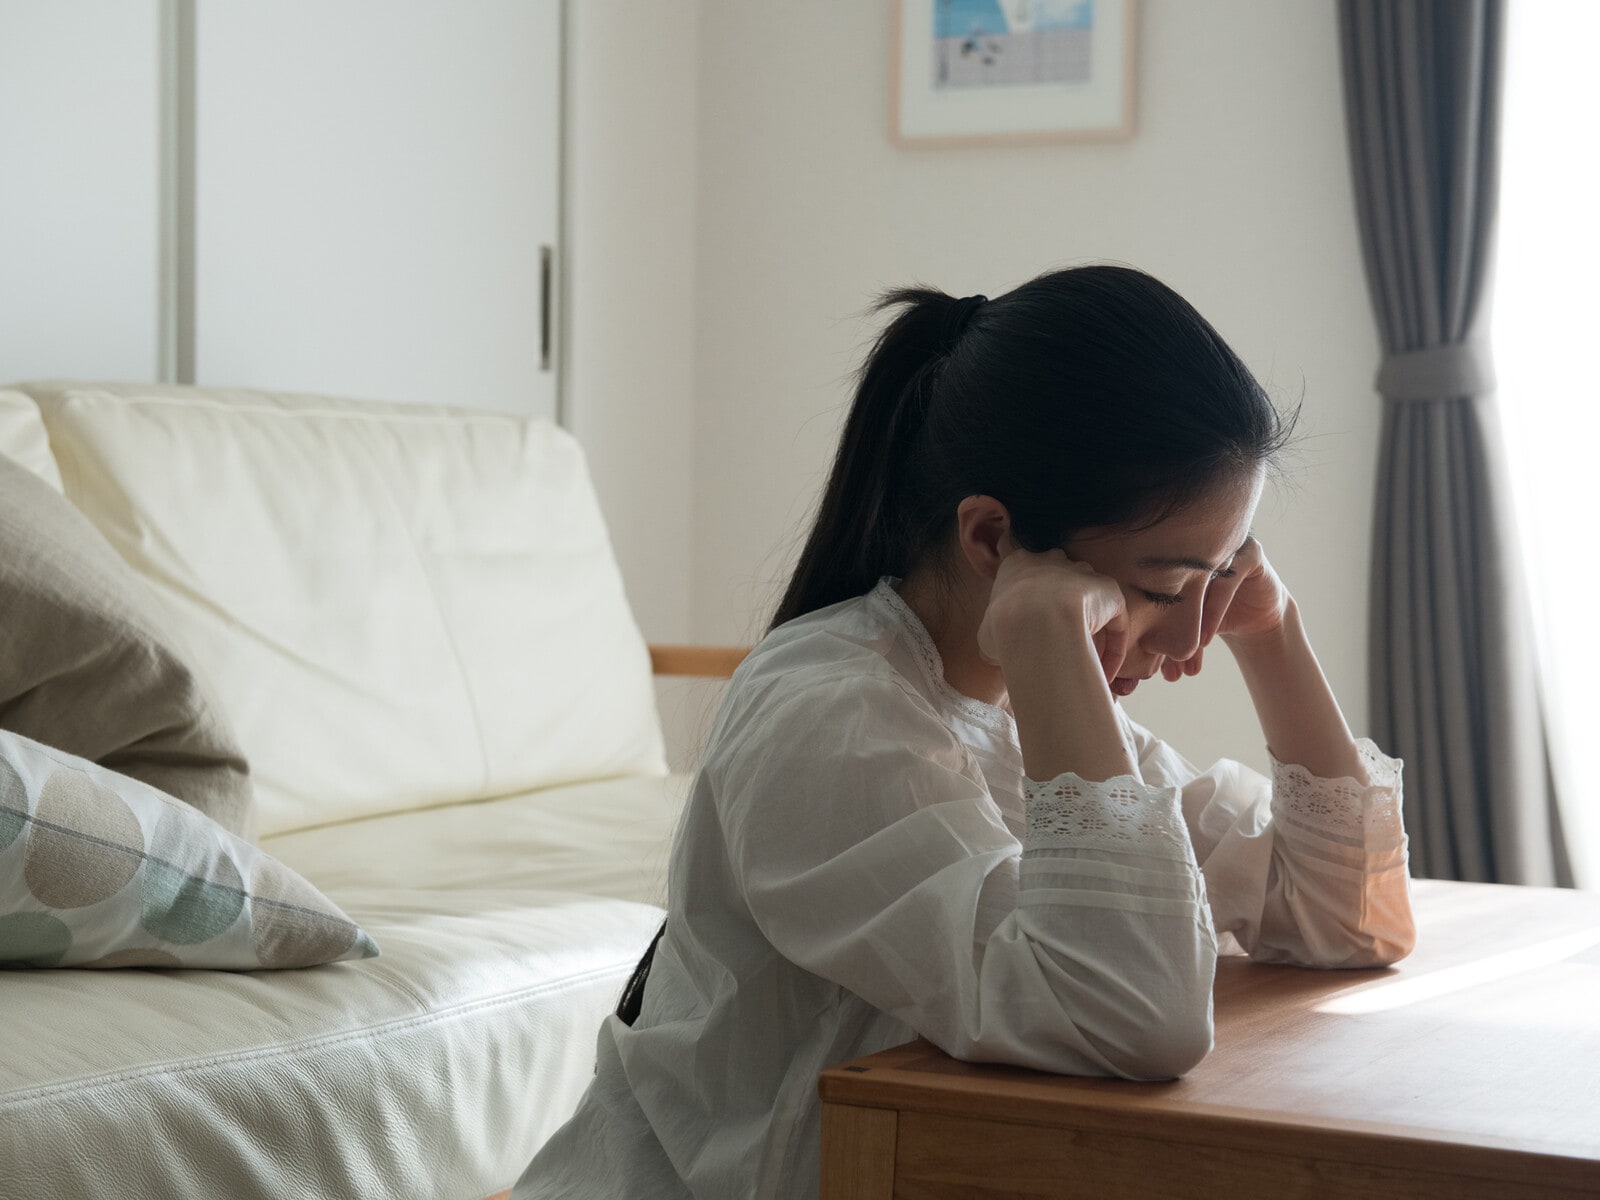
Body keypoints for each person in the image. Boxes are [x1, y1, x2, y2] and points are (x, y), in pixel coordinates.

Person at [512, 264, 1415, 1199]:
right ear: (991, 539)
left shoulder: (1023, 710)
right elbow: (1136, 1020)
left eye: (1221, 581)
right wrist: (1047, 639)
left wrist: (1271, 632)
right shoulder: (831, 716)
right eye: (1164, 591)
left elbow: (1346, 920)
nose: (1193, 644)